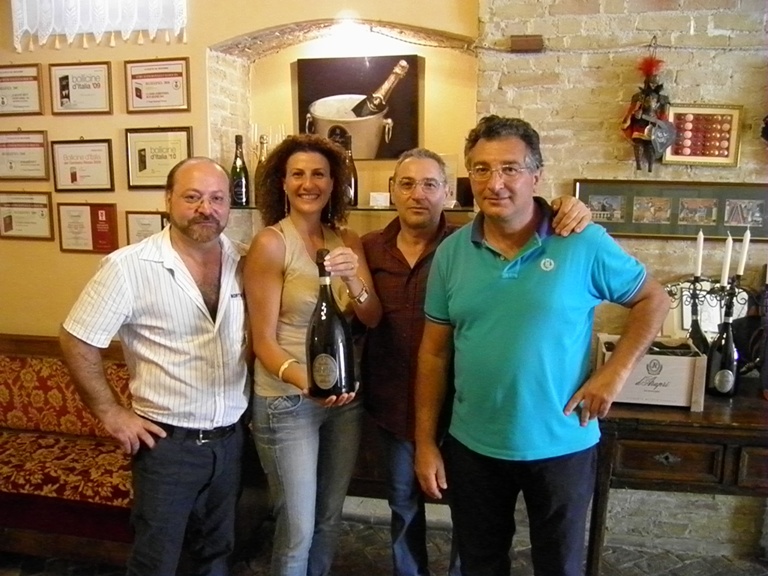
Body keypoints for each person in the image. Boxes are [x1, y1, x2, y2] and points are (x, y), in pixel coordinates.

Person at [414, 116, 670, 576]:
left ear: (537, 174)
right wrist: (425, 443)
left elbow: (653, 299)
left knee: (559, 566)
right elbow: (433, 354)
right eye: (481, 169)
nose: (495, 183)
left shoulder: (582, 241)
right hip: (473, 445)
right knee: (479, 565)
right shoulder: (451, 252)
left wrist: (614, 373)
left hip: (563, 442)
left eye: (510, 168)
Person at [361, 147, 592, 576]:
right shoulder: (369, 247)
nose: (417, 194)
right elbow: (367, 315)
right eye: (407, 184)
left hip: (464, 408)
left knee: (470, 521)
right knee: (404, 504)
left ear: (448, 192)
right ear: (392, 190)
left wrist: (567, 206)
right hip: (394, 401)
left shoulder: (466, 244)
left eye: (430, 184)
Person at [59, 157, 251, 576]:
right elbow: (76, 338)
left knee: (216, 554)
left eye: (217, 198)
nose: (206, 208)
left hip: (231, 441)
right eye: (192, 197)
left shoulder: (245, 260)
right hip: (167, 445)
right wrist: (110, 412)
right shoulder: (128, 267)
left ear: (228, 205)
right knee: (156, 561)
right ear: (167, 200)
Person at [243, 133, 382, 576]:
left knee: (328, 519)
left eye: (319, 174)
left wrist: (355, 279)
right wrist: (308, 382)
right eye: (298, 174)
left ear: (333, 183)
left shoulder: (347, 240)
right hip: (287, 401)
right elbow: (262, 341)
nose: (309, 183)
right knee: (297, 529)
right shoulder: (270, 243)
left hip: (344, 400)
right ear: (283, 183)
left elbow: (372, 316)